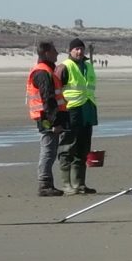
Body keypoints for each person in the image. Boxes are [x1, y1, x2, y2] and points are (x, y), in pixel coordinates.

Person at [56, 38, 99, 195]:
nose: (79, 52)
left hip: (87, 110)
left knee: (83, 149)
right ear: (70, 51)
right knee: (67, 148)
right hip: (71, 111)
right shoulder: (64, 67)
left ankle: (79, 183)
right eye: (76, 49)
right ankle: (67, 184)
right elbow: (56, 91)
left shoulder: (88, 66)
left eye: (81, 49)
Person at [27, 41, 66, 196]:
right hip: (46, 117)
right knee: (48, 150)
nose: (57, 53)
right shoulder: (42, 72)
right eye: (55, 51)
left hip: (47, 115)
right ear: (47, 53)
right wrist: (55, 121)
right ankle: (44, 184)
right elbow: (48, 99)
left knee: (51, 150)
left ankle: (47, 183)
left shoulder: (47, 70)